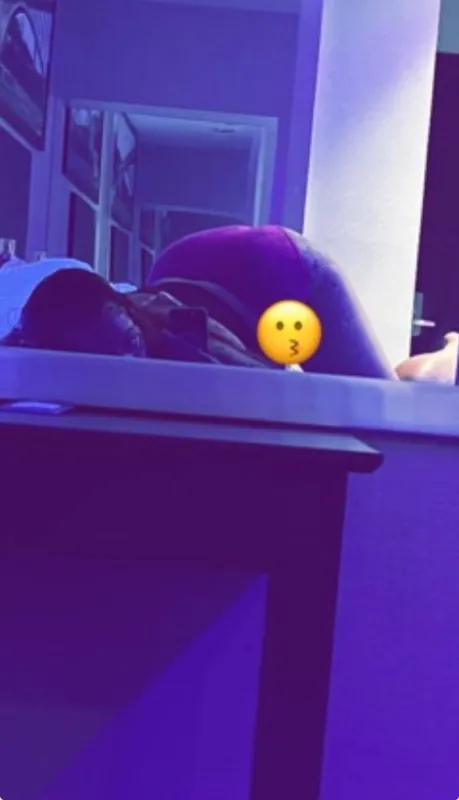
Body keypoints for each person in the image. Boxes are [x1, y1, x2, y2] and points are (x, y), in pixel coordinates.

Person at [147, 224, 395, 379]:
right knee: (378, 403)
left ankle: (419, 373)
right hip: (175, 268)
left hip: (269, 265)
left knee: (377, 407)